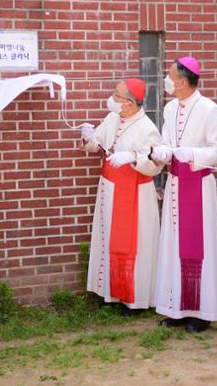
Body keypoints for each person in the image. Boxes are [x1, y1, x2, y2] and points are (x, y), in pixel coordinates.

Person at [151, 57, 217, 332]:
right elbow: (165, 143)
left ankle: (200, 312)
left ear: (183, 81)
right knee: (173, 246)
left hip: (198, 187)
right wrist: (161, 151)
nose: (166, 80)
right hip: (174, 184)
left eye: (170, 76)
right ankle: (176, 309)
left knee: (198, 248)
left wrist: (191, 154)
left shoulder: (209, 109)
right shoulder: (170, 108)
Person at [82, 79, 163, 313]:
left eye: (116, 94)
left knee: (134, 244)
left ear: (128, 103)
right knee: (109, 240)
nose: (112, 97)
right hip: (110, 188)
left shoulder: (147, 128)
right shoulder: (113, 117)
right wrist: (88, 138)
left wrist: (133, 157)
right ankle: (112, 295)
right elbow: (98, 144)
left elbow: (156, 164)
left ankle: (134, 300)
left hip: (135, 194)